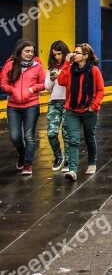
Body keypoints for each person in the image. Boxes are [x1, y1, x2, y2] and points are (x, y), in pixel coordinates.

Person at [58, 43, 104, 181]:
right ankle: (72, 170)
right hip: (72, 110)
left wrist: (93, 106)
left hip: (89, 111)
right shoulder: (70, 69)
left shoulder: (94, 70)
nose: (73, 54)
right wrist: (66, 63)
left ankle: (92, 162)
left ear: (85, 56)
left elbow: (101, 90)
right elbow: (61, 81)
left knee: (89, 137)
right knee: (73, 140)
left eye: (77, 52)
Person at [0, 39, 45, 175]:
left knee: (29, 136)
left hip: (31, 105)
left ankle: (27, 164)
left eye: (32, 51)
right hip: (13, 106)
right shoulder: (10, 65)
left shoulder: (37, 66)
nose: (30, 54)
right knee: (15, 136)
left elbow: (43, 84)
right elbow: (3, 83)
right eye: (27, 51)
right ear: (20, 51)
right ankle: (22, 154)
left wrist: (32, 90)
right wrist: (12, 90)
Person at [45, 41, 71, 172]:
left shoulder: (71, 66)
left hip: (67, 102)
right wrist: (51, 78)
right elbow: (47, 88)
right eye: (55, 54)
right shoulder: (51, 68)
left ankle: (68, 159)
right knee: (51, 133)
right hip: (54, 102)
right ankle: (58, 156)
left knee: (67, 134)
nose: (57, 57)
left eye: (59, 54)